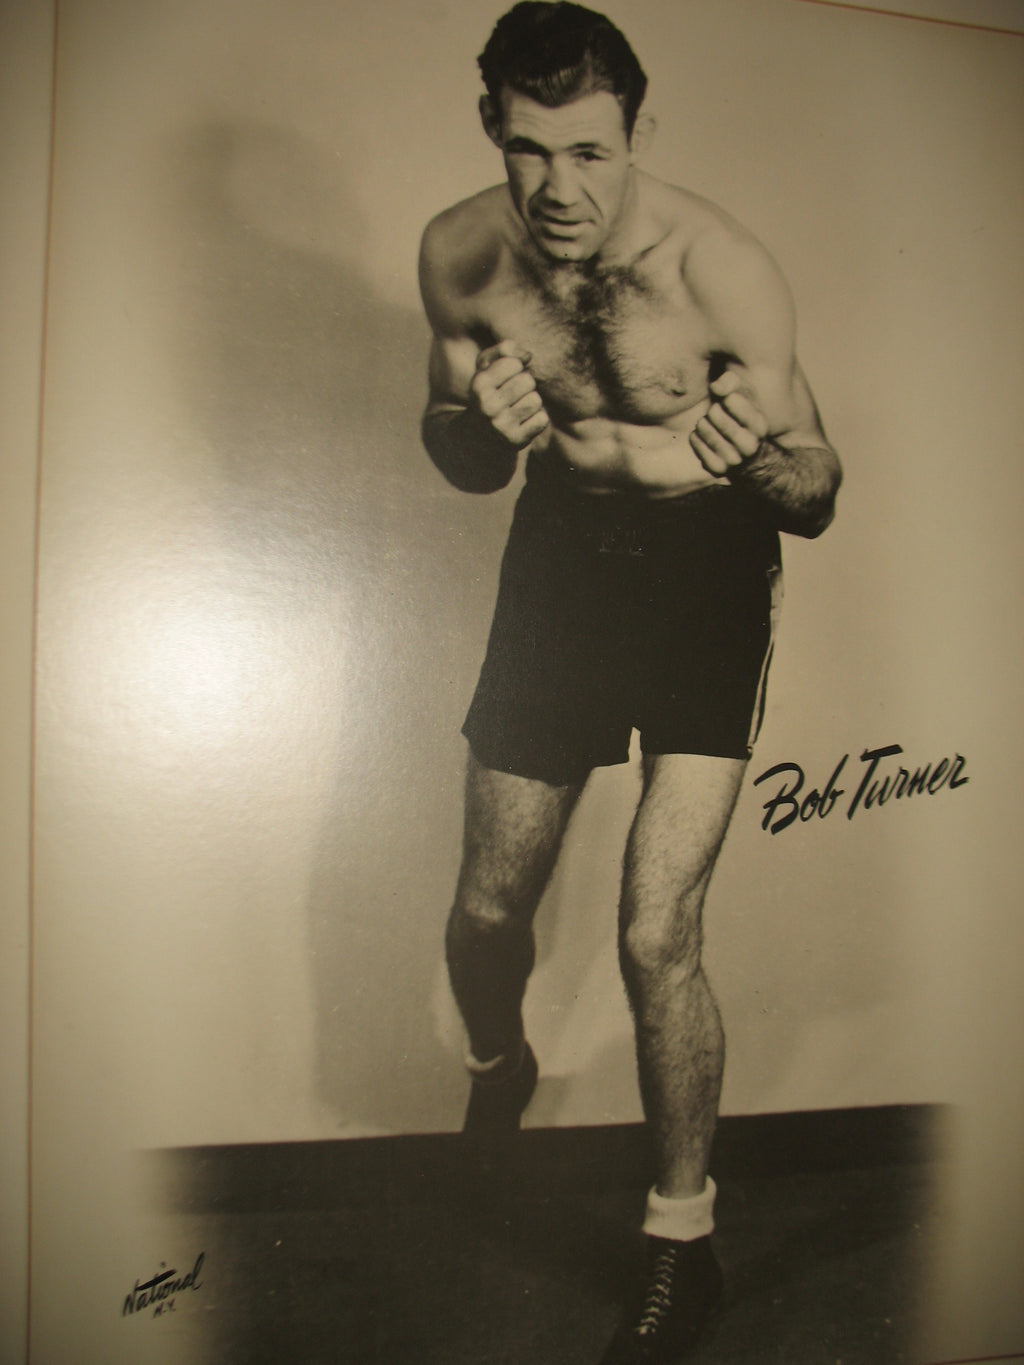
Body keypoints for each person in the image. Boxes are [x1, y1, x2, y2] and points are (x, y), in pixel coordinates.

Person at [418, 4, 841, 1360]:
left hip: (708, 568)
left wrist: (759, 464)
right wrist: (477, 426)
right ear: (493, 125)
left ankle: (683, 1241)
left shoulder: (725, 270)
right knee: (489, 910)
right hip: (560, 562)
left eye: (591, 151)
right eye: (533, 149)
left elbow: (818, 488)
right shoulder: (460, 256)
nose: (560, 189)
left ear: (634, 134)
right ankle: (501, 1064)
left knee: (658, 931)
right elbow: (460, 454)